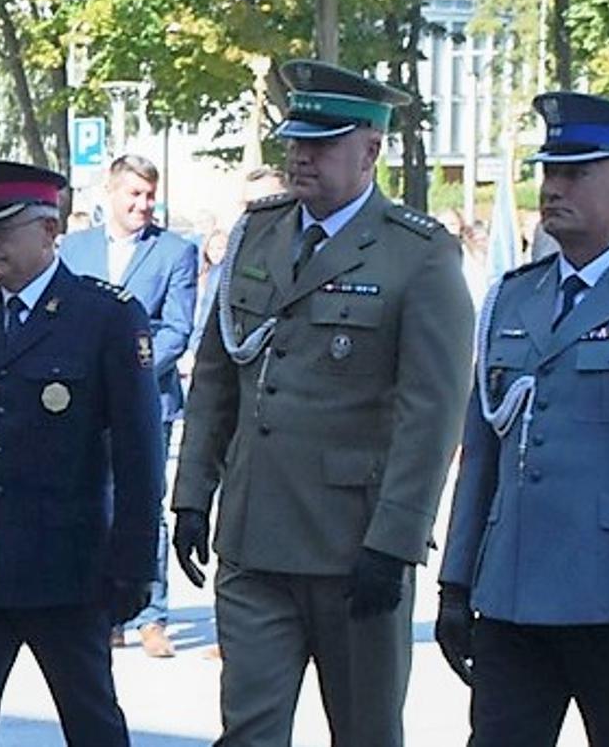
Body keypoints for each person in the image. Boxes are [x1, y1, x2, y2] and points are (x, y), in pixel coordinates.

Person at [172, 59, 475, 745]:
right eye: (295, 141)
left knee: (365, 732)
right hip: (253, 538)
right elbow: (219, 373)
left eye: (322, 143)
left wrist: (396, 540)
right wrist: (193, 493)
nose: (300, 157)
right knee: (249, 732)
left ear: (370, 150)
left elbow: (432, 413)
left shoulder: (418, 255)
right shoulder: (258, 232)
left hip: (352, 545)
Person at [440, 92, 609, 746]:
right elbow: (483, 453)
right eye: (550, 172)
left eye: (576, 172)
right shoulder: (514, 295)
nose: (554, 188)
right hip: (512, 593)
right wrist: (456, 581)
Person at [0, 159, 162, 746]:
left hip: (68, 567)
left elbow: (139, 455)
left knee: (92, 721)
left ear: (51, 230)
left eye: (4, 227)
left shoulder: (105, 317)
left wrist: (134, 563)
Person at [59, 153, 199, 657]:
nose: (142, 205)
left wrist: (126, 376)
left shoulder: (175, 252)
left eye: (148, 197)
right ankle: (103, 609)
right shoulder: (74, 250)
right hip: (80, 406)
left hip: (146, 402)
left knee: (143, 504)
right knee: (94, 502)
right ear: (110, 193)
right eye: (133, 195)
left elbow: (176, 330)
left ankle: (150, 613)